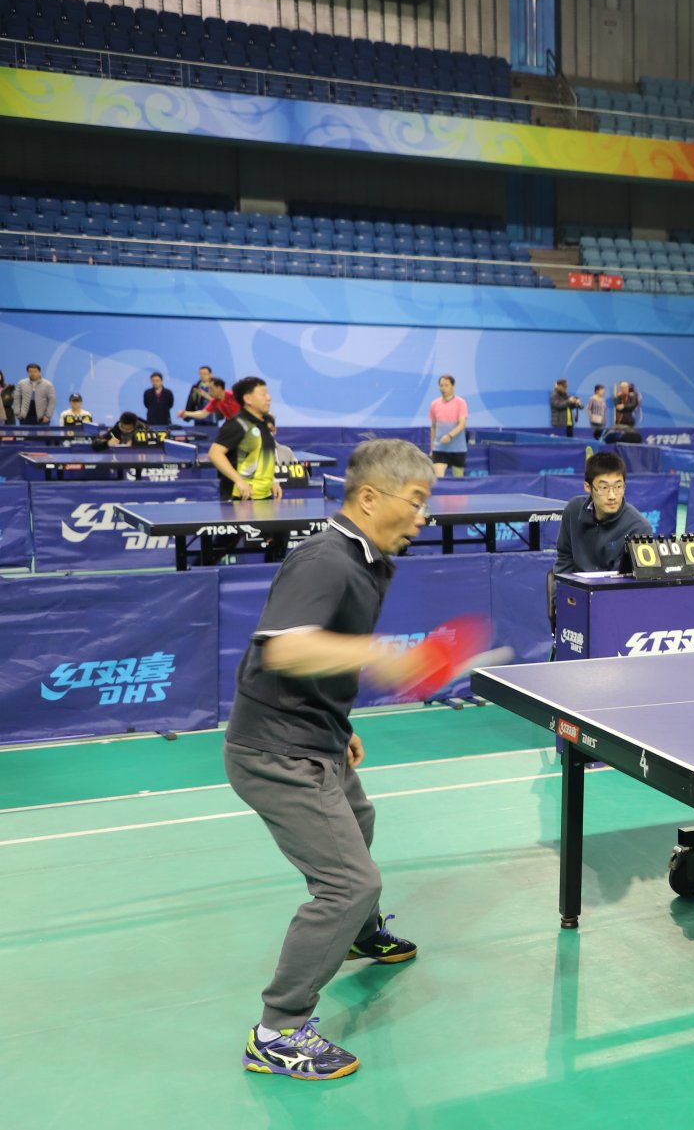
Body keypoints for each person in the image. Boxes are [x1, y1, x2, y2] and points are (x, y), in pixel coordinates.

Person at [224, 439, 441, 1080]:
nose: (424, 517)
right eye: (416, 502)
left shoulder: (369, 559)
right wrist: (383, 657)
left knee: (360, 820)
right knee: (350, 883)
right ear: (369, 498)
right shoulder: (325, 559)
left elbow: (316, 656)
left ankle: (356, 935)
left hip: (316, 736)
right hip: (276, 752)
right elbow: (283, 650)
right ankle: (277, 1032)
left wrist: (339, 723)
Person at [553, 451, 655, 574]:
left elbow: (625, 580)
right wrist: (564, 586)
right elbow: (564, 559)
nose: (612, 496)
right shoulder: (573, 510)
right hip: (575, 586)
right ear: (587, 487)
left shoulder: (639, 528)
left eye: (618, 487)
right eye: (604, 488)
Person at [209, 376, 282, 503]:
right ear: (248, 399)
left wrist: (273, 480)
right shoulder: (238, 423)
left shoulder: (265, 423)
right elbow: (215, 453)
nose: (269, 397)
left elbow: (263, 456)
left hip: (264, 496)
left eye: (268, 393)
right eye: (263, 394)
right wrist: (238, 480)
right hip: (241, 497)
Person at [428, 374, 468, 479]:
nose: (443, 388)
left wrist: (449, 436)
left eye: (446, 385)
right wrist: (432, 448)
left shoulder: (461, 403)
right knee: (438, 478)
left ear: (453, 386)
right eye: (441, 385)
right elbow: (433, 427)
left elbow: (462, 424)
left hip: (458, 449)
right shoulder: (434, 404)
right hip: (439, 448)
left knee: (458, 479)